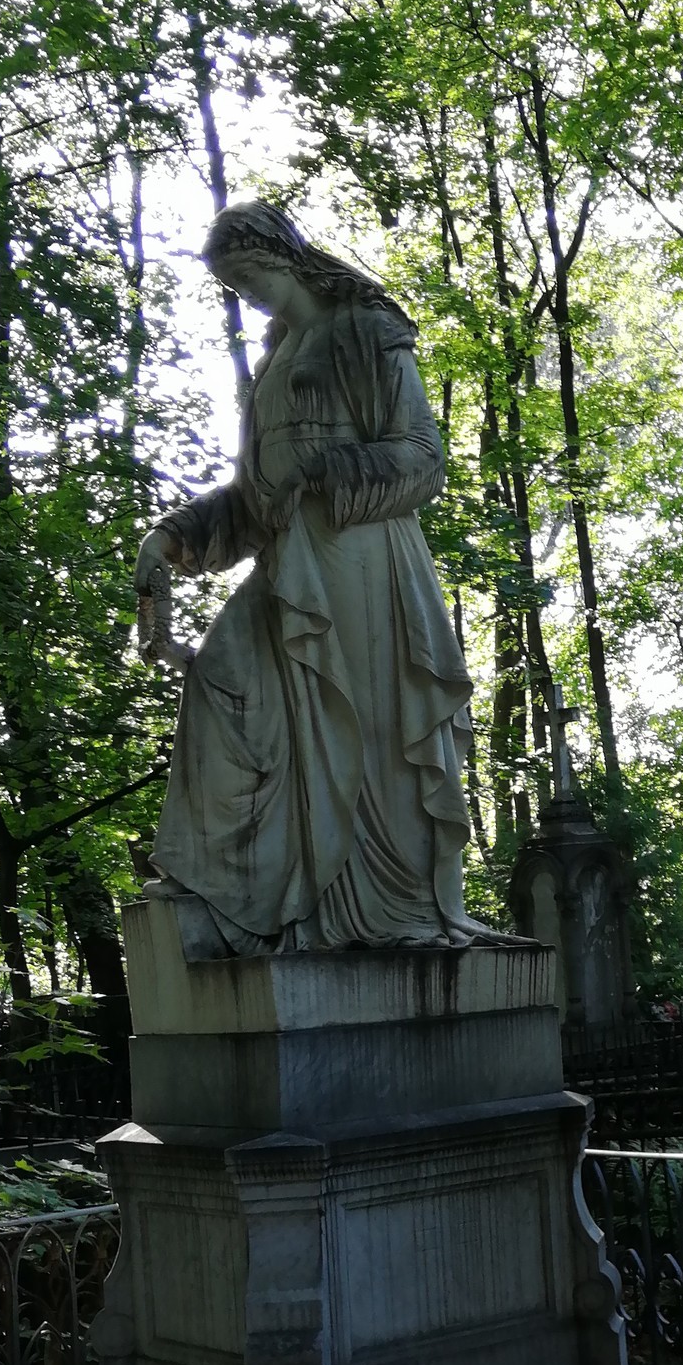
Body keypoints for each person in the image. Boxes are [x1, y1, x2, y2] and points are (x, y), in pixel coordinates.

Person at [134, 201, 484, 950]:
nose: (247, 292)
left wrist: (329, 473)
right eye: (232, 283)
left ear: (283, 253)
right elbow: (256, 498)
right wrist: (171, 539)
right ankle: (233, 893)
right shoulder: (273, 362)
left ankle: (392, 912)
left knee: (371, 737)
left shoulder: (367, 328)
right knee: (220, 680)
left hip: (359, 558)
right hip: (292, 561)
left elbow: (422, 455)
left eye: (249, 272)